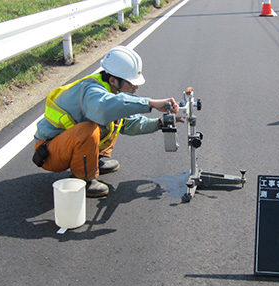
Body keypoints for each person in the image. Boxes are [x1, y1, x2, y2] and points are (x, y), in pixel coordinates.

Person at [33, 45, 179, 197]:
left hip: (65, 144)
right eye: (131, 82)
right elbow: (104, 109)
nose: (136, 86)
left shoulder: (111, 91)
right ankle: (83, 179)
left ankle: (97, 159)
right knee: (89, 128)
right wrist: (149, 103)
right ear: (113, 80)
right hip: (49, 152)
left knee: (117, 114)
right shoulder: (91, 91)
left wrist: (160, 123)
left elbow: (129, 123)